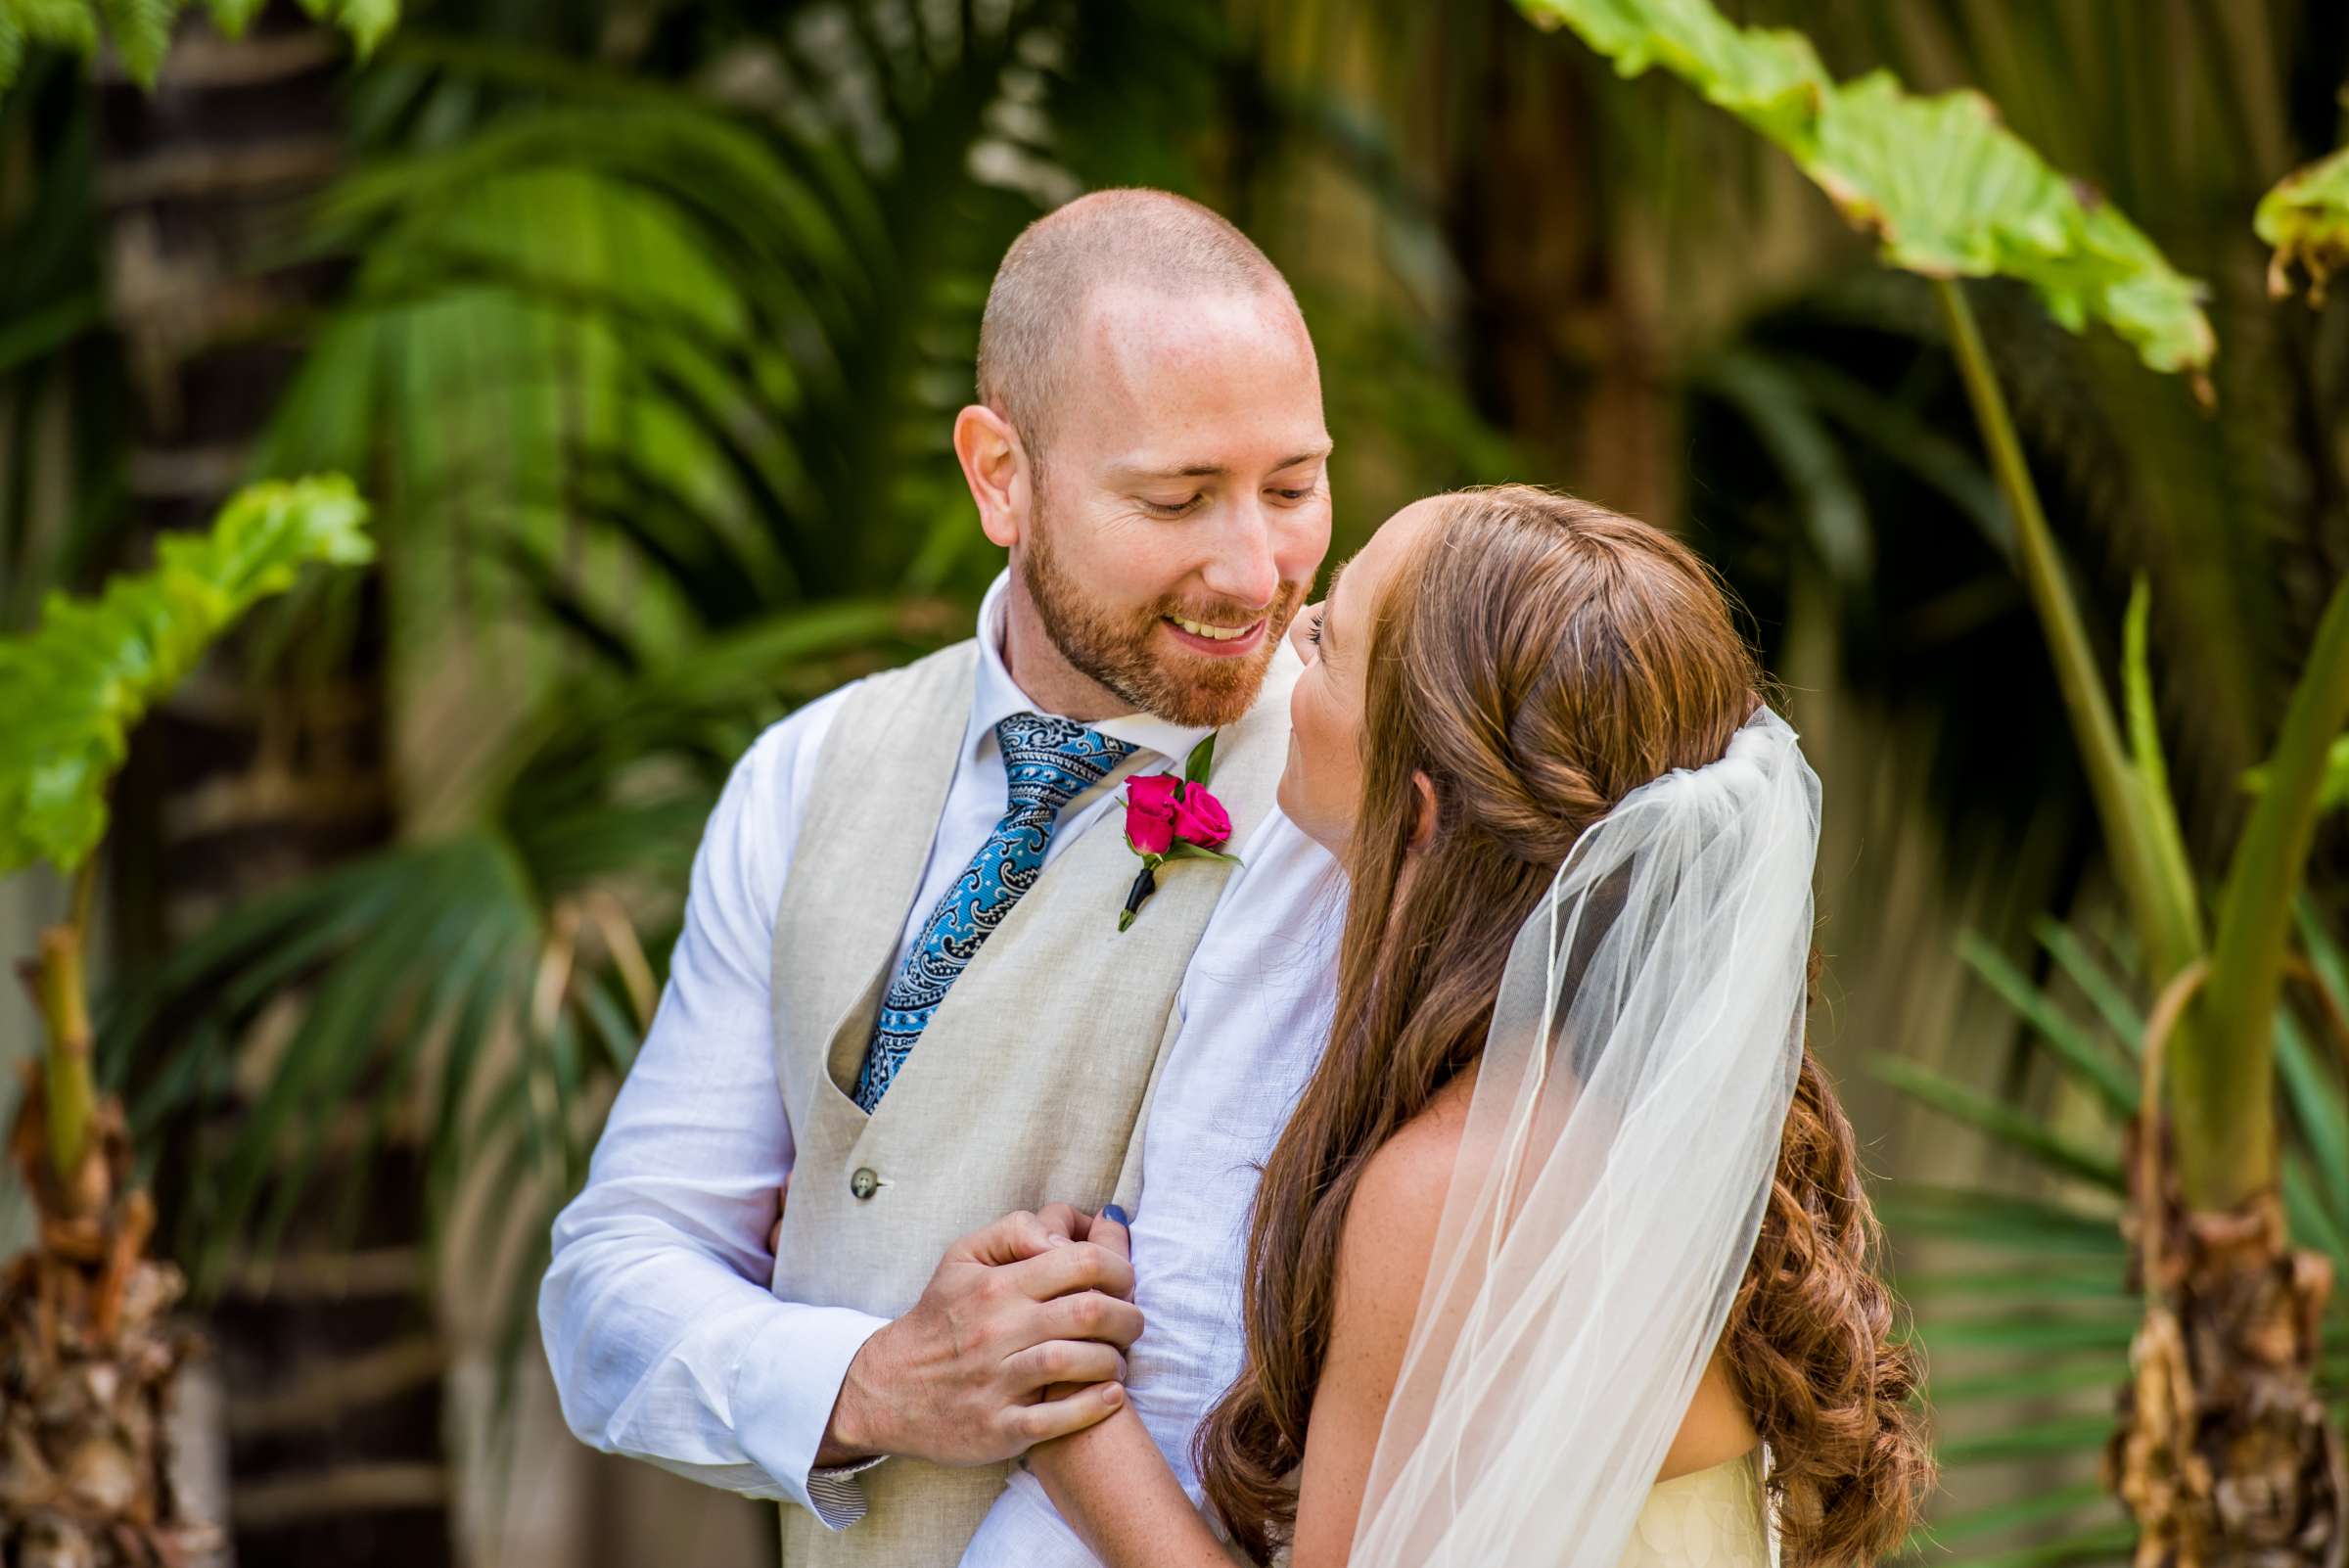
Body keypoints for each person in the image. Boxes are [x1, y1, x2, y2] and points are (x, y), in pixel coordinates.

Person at [537, 188, 1342, 1568]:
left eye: (1292, 485)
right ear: (999, 476)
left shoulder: (1357, 810)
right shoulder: (804, 776)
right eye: (1176, 496)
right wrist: (873, 1382)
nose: (1253, 567)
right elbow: (613, 1280)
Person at [1008, 486, 1938, 1567]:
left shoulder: (1463, 1186)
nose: (1288, 656)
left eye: (1330, 641)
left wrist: (1076, 1428)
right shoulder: (1661, 1111)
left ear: (1420, 810)